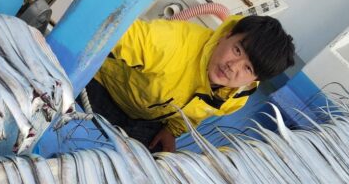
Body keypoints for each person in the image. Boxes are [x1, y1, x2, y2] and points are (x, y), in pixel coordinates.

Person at [85, 14, 296, 152]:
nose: (233, 66)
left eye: (248, 68)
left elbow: (195, 112)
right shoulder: (172, 43)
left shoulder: (237, 96)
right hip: (100, 86)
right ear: (227, 35)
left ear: (254, 80)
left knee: (159, 174)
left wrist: (172, 131)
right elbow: (107, 29)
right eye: (237, 50)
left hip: (145, 117)